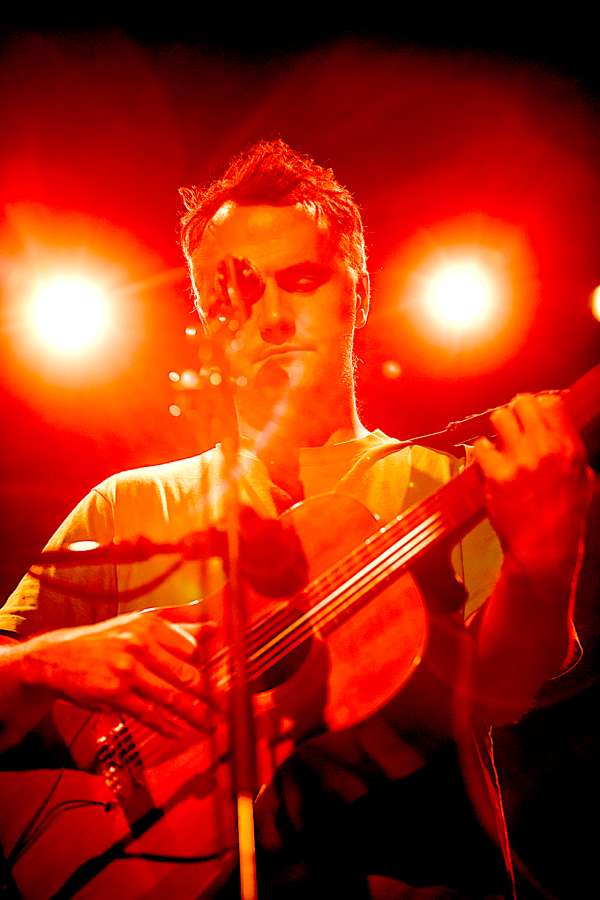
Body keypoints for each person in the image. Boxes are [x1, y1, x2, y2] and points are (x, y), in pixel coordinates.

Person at [0, 139, 593, 900]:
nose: (273, 318)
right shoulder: (126, 506)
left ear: (359, 293)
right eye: (236, 294)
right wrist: (44, 661)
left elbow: (505, 685)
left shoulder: (448, 482)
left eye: (302, 281)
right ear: (206, 320)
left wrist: (544, 562)